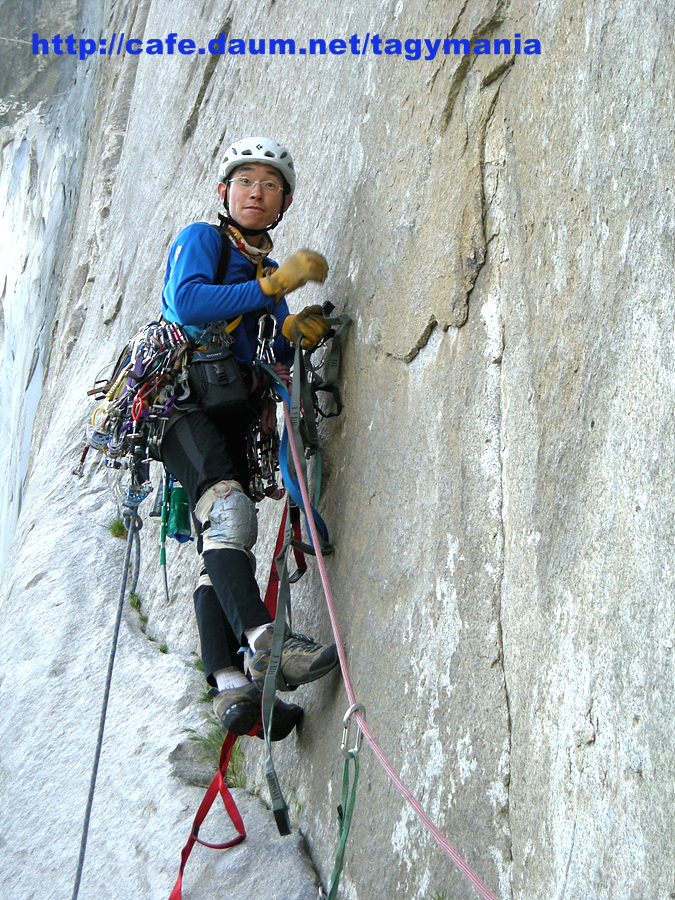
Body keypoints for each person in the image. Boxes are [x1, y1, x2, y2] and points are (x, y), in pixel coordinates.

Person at [158, 137, 339, 741]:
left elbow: (270, 344)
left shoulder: (266, 272)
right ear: (223, 193)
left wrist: (294, 331)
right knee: (229, 511)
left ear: (283, 201)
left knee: (225, 540)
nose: (255, 192)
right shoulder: (202, 240)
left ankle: (231, 688)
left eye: (269, 184)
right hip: (180, 404)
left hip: (233, 407)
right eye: (244, 181)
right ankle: (269, 643)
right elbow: (187, 301)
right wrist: (267, 291)